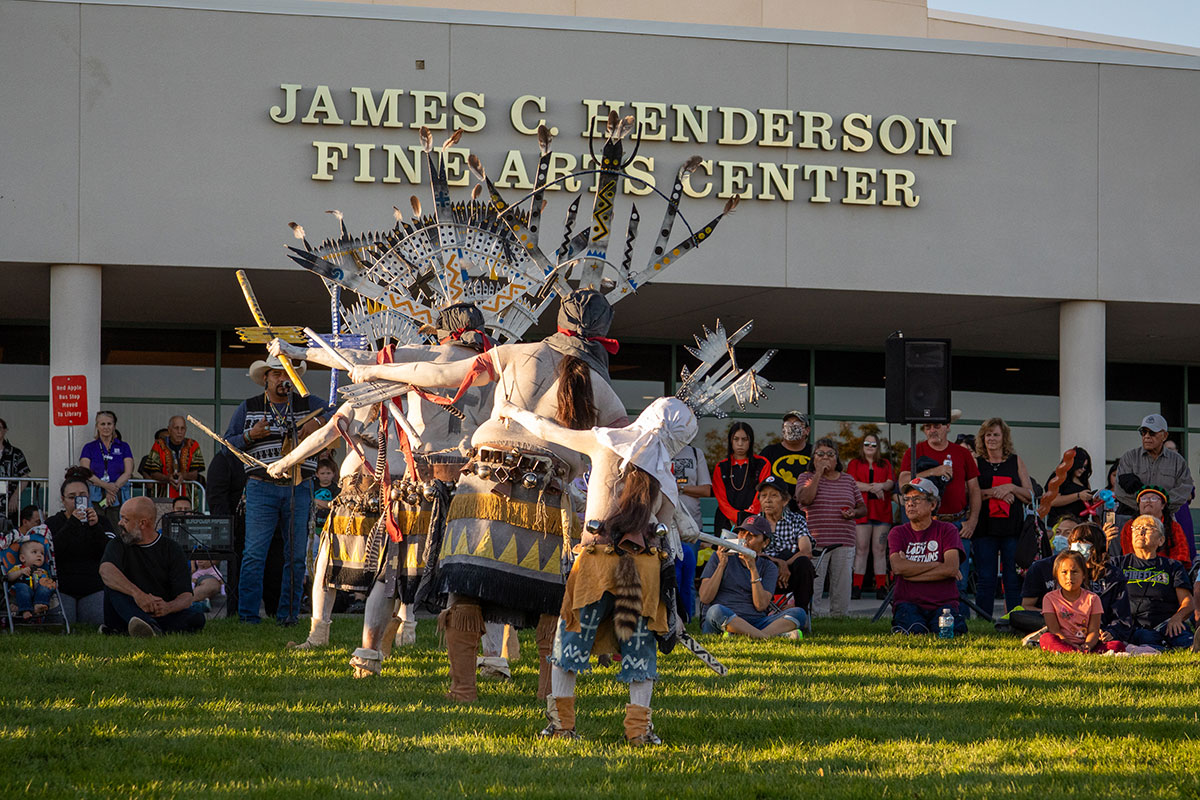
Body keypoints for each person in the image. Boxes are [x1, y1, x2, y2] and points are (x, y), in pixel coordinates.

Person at [349, 289, 629, 704]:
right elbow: (626, 453)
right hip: (544, 498)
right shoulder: (601, 389)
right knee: (552, 599)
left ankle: (464, 691)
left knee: (468, 589)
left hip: (482, 489)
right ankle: (546, 693)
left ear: (559, 322)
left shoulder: (516, 354)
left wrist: (378, 372)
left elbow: (441, 375)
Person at [274, 302, 495, 677]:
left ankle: (370, 655)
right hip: (470, 483)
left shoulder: (428, 358)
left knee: (388, 574)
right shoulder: (499, 365)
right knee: (474, 575)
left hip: (421, 482)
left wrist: (295, 351)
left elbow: (353, 358)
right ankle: (493, 659)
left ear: (443, 332)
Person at [498, 396, 699, 744]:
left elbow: (548, 430)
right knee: (640, 648)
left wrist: (512, 412)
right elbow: (662, 539)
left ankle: (562, 726)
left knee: (571, 641)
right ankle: (638, 731)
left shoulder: (604, 441)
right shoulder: (665, 479)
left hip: (596, 564)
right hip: (642, 571)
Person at [223, 354, 326, 625]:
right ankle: (248, 617)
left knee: (295, 555)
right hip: (260, 486)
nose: (283, 379)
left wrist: (320, 424)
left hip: (300, 485)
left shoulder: (311, 404)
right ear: (265, 379)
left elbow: (341, 417)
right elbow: (226, 446)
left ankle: (288, 616)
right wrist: (249, 436)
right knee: (255, 553)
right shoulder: (249, 407)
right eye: (277, 374)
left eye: (288, 374)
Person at [898, 420, 980, 602]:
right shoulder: (914, 451)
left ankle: (958, 623)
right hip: (927, 525)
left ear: (947, 427)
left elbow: (974, 490)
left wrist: (972, 521)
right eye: (928, 427)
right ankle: (924, 617)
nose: (932, 430)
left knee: (959, 580)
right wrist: (935, 471)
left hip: (958, 523)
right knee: (925, 577)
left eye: (936, 426)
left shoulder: (962, 453)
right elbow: (903, 481)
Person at [99, 496, 205, 636]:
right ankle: (146, 626)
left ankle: (143, 628)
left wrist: (167, 607)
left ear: (143, 523)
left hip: (159, 612)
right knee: (113, 586)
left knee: (197, 617)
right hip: (127, 609)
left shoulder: (172, 549)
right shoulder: (118, 543)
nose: (120, 523)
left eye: (126, 520)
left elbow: (185, 596)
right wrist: (138, 595)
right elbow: (106, 570)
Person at [700, 514, 809, 639]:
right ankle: (766, 636)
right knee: (715, 611)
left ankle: (741, 634)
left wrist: (753, 568)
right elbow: (705, 598)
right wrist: (721, 565)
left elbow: (761, 605)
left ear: (765, 542)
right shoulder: (719, 557)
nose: (745, 538)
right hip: (723, 619)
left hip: (756, 622)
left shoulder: (768, 567)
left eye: (752, 535)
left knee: (799, 613)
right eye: (742, 533)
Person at [887, 478, 967, 636]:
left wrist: (909, 569)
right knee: (914, 631)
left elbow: (951, 569)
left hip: (943, 604)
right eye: (907, 499)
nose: (910, 504)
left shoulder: (948, 530)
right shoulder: (898, 532)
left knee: (946, 634)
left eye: (917, 499)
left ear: (933, 505)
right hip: (908, 603)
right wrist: (938, 565)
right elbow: (897, 568)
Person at [796, 438, 863, 617]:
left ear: (837, 459)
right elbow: (804, 500)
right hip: (815, 542)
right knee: (814, 585)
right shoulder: (805, 477)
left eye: (830, 454)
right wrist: (818, 474)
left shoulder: (848, 480)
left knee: (841, 586)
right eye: (820, 454)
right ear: (813, 458)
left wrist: (853, 513)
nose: (826, 458)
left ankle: (839, 619)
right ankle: (812, 617)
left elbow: (862, 508)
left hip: (844, 541)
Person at [972, 418, 1032, 614]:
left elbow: (1029, 495)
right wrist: (997, 492)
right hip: (984, 529)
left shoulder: (1016, 460)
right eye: (988, 435)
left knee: (1012, 579)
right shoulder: (976, 462)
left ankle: (1014, 619)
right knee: (986, 578)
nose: (991, 438)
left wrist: (1012, 488)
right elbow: (971, 494)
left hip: (1012, 530)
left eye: (995, 434)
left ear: (1004, 437)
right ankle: (984, 621)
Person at [44, 467, 115, 626]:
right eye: (72, 497)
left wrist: (95, 527)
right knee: (61, 624)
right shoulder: (53, 523)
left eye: (82, 496)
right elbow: (51, 551)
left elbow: (110, 552)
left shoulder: (102, 522)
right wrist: (72, 524)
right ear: (63, 500)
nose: (77, 500)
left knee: (98, 622)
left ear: (89, 497)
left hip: (94, 587)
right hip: (63, 588)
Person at [1113, 514, 1194, 650]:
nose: (1140, 532)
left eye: (1148, 528)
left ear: (1161, 540)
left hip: (1165, 623)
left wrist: (1177, 618)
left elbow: (1187, 602)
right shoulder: (1118, 564)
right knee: (1144, 636)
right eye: (1136, 528)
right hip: (1130, 625)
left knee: (1181, 634)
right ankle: (1159, 646)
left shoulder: (1173, 566)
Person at [1038, 550, 1125, 654]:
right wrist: (1070, 644)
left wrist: (1088, 645)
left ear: (1084, 575)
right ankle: (1072, 650)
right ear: (1056, 575)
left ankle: (1075, 652)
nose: (1069, 577)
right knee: (1046, 638)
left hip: (1087, 643)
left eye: (1074, 572)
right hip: (1063, 641)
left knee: (1117, 645)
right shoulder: (1049, 598)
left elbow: (1093, 630)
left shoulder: (1093, 598)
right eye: (1064, 572)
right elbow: (1054, 630)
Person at [1112, 414, 1193, 519]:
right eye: (1143, 432)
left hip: (1165, 520)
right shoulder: (1130, 457)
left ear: (1164, 436)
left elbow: (1184, 490)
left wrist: (1160, 507)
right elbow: (1120, 491)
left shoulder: (1178, 461)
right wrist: (1145, 507)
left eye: (1152, 432)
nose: (1146, 436)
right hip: (1132, 518)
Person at [846, 433, 894, 599]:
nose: (870, 447)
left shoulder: (885, 463)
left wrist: (881, 485)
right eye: (867, 443)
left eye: (874, 444)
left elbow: (891, 483)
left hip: (882, 512)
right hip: (862, 512)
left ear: (878, 447)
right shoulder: (854, 463)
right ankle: (856, 586)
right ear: (862, 445)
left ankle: (881, 586)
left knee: (880, 549)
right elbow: (852, 483)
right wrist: (873, 488)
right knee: (861, 549)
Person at [756, 475, 815, 609]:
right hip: (762, 575)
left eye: (774, 495)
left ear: (785, 500)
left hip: (791, 574)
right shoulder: (755, 523)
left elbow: (806, 552)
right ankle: (758, 615)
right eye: (763, 496)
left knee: (804, 563)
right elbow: (748, 553)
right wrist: (777, 563)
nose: (768, 500)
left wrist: (784, 565)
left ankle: (801, 613)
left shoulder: (797, 520)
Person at [670, 436, 711, 622]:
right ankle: (670, 617)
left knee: (689, 575)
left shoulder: (695, 453)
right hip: (665, 526)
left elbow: (706, 490)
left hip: (690, 526)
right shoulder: (658, 449)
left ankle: (689, 619)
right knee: (671, 575)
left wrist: (680, 488)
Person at [711, 422, 771, 535]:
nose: (740, 444)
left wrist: (747, 517)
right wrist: (735, 517)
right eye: (736, 439)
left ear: (750, 441)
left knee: (751, 551)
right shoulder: (721, 467)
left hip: (753, 519)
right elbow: (721, 499)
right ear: (730, 441)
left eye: (744, 439)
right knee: (724, 552)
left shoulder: (762, 463)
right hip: (725, 519)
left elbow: (762, 493)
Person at [1115, 486, 1191, 565]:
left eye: (1153, 498)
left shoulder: (1174, 526)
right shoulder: (1129, 526)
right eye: (1143, 499)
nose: (1148, 501)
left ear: (1163, 505)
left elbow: (1182, 555)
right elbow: (1129, 554)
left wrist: (1169, 569)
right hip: (1136, 569)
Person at [78, 410, 134, 508]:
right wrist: (107, 486)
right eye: (102, 424)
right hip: (95, 493)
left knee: (116, 522)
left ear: (114, 426)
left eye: (109, 424)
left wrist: (113, 489)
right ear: (97, 426)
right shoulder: (89, 447)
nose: (106, 427)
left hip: (118, 492)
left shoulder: (124, 446)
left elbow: (128, 473)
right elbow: (86, 472)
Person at [143, 415, 206, 499]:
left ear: (185, 430)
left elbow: (195, 474)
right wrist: (168, 478)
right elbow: (153, 473)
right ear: (169, 430)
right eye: (176, 428)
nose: (179, 431)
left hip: (187, 499)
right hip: (163, 497)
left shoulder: (193, 445)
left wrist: (183, 476)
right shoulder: (158, 445)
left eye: (182, 428)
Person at [758, 411, 812, 502]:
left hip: (809, 508)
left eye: (797, 424)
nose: (791, 427)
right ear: (783, 429)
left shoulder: (816, 453)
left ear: (807, 430)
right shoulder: (769, 452)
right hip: (776, 509)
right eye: (787, 424)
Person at [6, 539, 56, 619]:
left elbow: (47, 583)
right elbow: (8, 577)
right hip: (21, 595)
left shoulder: (42, 571)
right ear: (23, 558)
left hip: (37, 594)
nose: (39, 555)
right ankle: (26, 610)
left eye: (42, 553)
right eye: (34, 552)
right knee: (22, 587)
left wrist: (42, 577)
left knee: (45, 587)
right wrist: (20, 572)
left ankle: (38, 605)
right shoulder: (18, 568)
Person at [1045, 448, 1093, 526]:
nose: (1083, 470)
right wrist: (1078, 496)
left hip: (1080, 524)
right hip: (1060, 524)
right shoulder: (1058, 476)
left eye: (1085, 467)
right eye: (1081, 466)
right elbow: (1052, 501)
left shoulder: (1083, 480)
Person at [0, 417, 31, 519]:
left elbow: (25, 476)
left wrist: (15, 496)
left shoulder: (16, 453)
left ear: (5, 430)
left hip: (8, 503)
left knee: (8, 532)